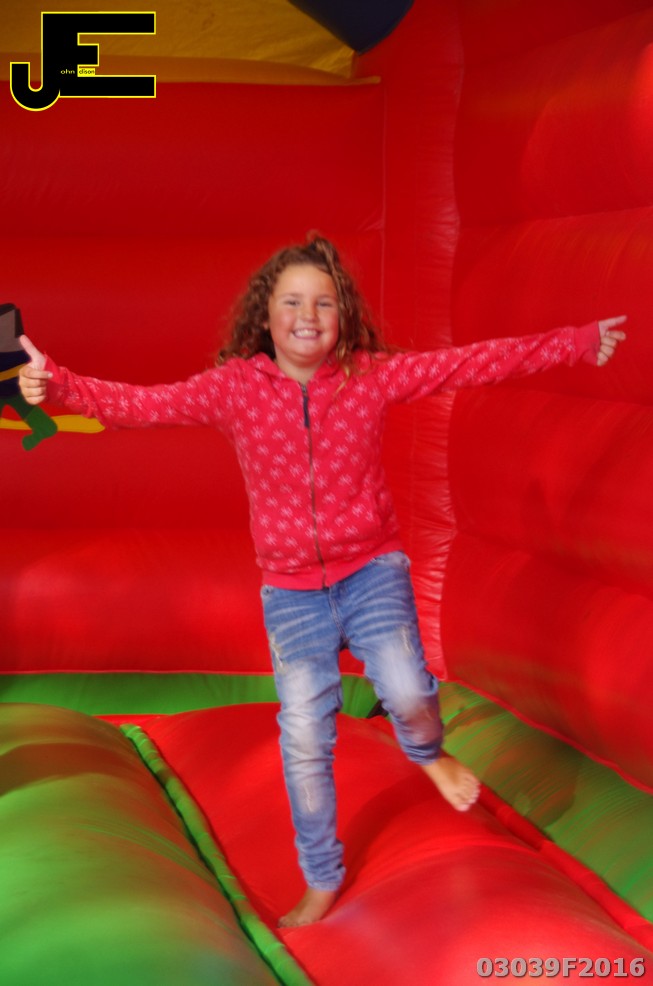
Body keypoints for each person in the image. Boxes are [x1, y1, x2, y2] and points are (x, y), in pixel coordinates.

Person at [19, 235, 627, 928]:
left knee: (406, 691)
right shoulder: (235, 390)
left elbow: (471, 362)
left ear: (345, 316)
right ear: (264, 314)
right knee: (305, 736)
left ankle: (428, 752)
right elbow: (141, 405)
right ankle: (320, 878)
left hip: (371, 573)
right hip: (291, 595)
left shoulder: (370, 377)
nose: (307, 316)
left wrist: (577, 342)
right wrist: (57, 384)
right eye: (291, 302)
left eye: (324, 303)